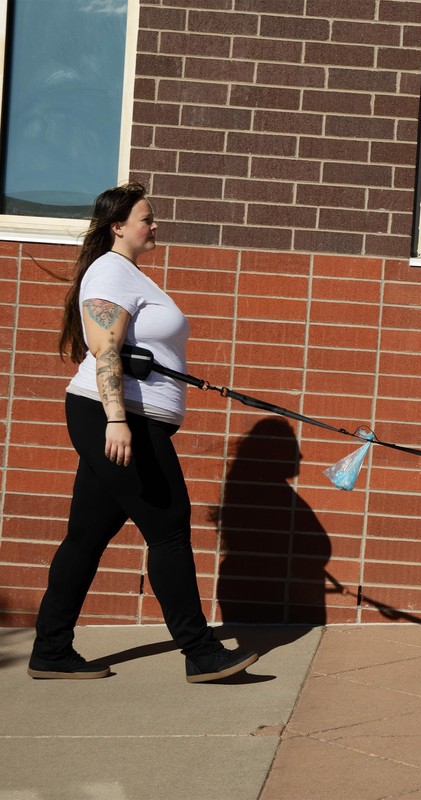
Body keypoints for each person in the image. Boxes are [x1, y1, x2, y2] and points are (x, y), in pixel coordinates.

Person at [28, 182, 258, 682]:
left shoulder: (129, 274)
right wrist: (116, 420)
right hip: (115, 417)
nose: (154, 226)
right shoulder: (110, 270)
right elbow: (104, 347)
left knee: (86, 535)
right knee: (169, 525)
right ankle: (200, 652)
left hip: (121, 416)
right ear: (118, 226)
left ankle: (50, 650)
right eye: (146, 218)